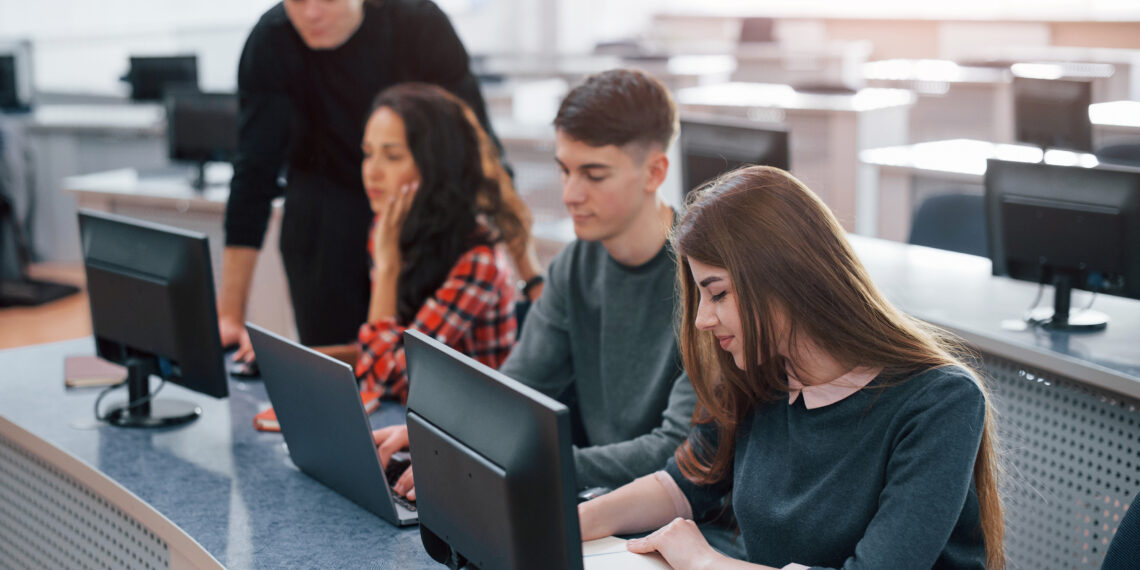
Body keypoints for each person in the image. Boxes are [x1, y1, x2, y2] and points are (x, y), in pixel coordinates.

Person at [577, 166, 1005, 569]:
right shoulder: (758, 377)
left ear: (783, 279)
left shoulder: (940, 402)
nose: (702, 320)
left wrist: (706, 561)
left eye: (719, 294)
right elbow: (682, 485)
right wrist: (577, 520)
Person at [374, 69, 697, 503]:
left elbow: (676, 450)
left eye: (593, 175)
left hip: (679, 518)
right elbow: (518, 391)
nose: (569, 194)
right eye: (564, 170)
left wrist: (526, 463)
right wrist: (443, 434)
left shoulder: (704, 281)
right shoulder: (574, 265)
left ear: (655, 172)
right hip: (598, 500)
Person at [217, 0, 541, 361]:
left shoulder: (418, 23)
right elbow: (252, 177)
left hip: (420, 212)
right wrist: (229, 316)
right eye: (297, 0)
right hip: (323, 218)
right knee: (341, 376)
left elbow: (480, 148)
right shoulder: (271, 41)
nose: (311, 13)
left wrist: (533, 281)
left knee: (411, 365)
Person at [347, 83, 522, 402]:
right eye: (368, 153)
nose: (372, 172)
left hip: (471, 437)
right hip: (419, 416)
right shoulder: (391, 228)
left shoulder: (478, 260)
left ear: (435, 165)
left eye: (392, 156)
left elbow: (384, 378)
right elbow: (384, 352)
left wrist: (387, 270)